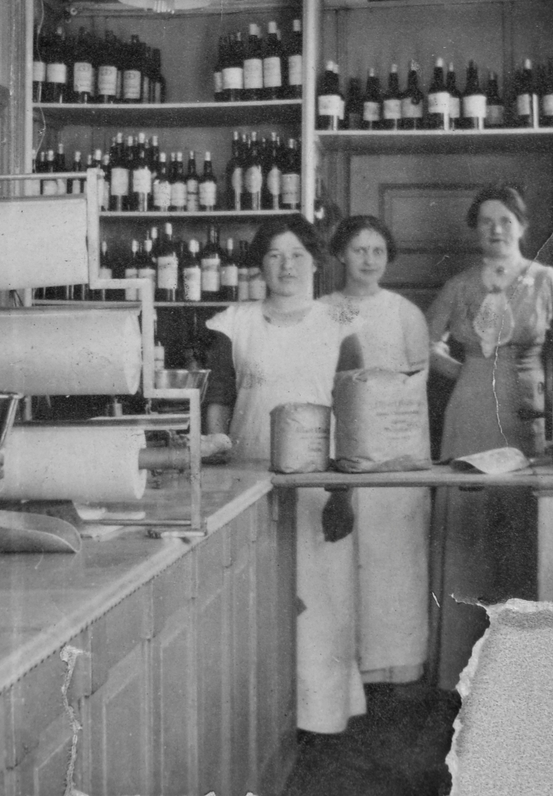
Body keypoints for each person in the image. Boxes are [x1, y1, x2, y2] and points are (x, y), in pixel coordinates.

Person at [203, 214, 366, 735]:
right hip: (247, 480)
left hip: (322, 480)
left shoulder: (339, 322)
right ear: (261, 265)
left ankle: (321, 718)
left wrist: (347, 490)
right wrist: (216, 463)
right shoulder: (235, 321)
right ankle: (256, 729)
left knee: (320, 605)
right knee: (251, 602)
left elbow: (355, 408)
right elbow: (218, 399)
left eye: (297, 254)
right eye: (274, 255)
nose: (287, 265)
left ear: (316, 262)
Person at [426, 184, 553, 689]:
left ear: (523, 225)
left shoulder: (550, 281)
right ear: (475, 229)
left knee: (529, 521)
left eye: (505, 220)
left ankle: (530, 672)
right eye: (486, 220)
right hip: (470, 407)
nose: (496, 229)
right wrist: (471, 374)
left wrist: (534, 377)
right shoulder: (459, 284)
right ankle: (458, 670)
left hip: (529, 408)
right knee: (469, 522)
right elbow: (425, 346)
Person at [322, 215, 431, 688]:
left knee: (395, 553)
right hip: (341, 445)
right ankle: (348, 666)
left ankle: (399, 661)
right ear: (342, 254)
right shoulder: (322, 309)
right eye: (359, 250)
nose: (369, 260)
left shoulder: (406, 312)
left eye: (378, 252)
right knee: (342, 555)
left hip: (397, 451)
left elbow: (419, 387)